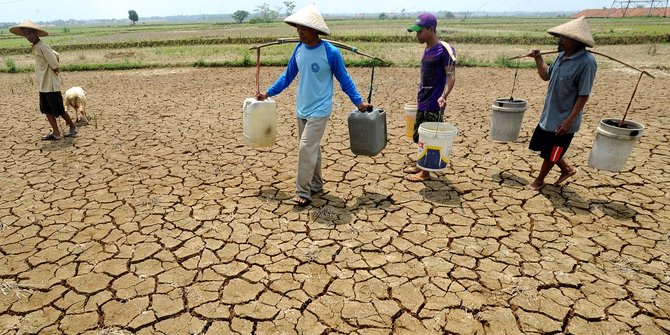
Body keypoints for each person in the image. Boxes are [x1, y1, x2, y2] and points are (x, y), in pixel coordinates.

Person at [255, 4, 373, 206]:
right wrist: (268, 93)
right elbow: (287, 77)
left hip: (320, 109)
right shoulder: (299, 49)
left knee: (306, 147)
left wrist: (359, 102)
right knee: (312, 148)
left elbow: (345, 80)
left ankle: (303, 191)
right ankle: (317, 185)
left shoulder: (331, 53)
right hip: (302, 108)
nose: (300, 32)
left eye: (305, 28)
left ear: (316, 31)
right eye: (298, 28)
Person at [524, 17, 597, 191]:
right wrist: (538, 58)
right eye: (560, 37)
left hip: (565, 118)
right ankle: (567, 169)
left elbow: (583, 95)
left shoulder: (587, 63)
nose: (560, 41)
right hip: (550, 114)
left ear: (577, 42)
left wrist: (569, 121)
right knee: (545, 146)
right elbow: (546, 75)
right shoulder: (561, 56)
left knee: (554, 151)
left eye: (565, 38)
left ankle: (539, 180)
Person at [403, 13, 456, 182]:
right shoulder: (427, 49)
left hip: (435, 102)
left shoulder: (445, 50)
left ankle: (425, 173)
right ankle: (421, 165)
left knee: (430, 138)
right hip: (423, 101)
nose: (417, 35)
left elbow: (450, 76)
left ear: (431, 29)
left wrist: (443, 95)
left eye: (420, 31)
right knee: (420, 137)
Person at [10, 20, 77, 141]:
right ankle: (56, 132)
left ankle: (72, 127)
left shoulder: (42, 46)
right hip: (43, 85)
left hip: (50, 85)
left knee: (59, 110)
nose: (28, 36)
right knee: (46, 110)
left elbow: (55, 62)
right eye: (25, 34)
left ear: (35, 33)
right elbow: (54, 54)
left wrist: (55, 68)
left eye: (29, 33)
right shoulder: (36, 47)